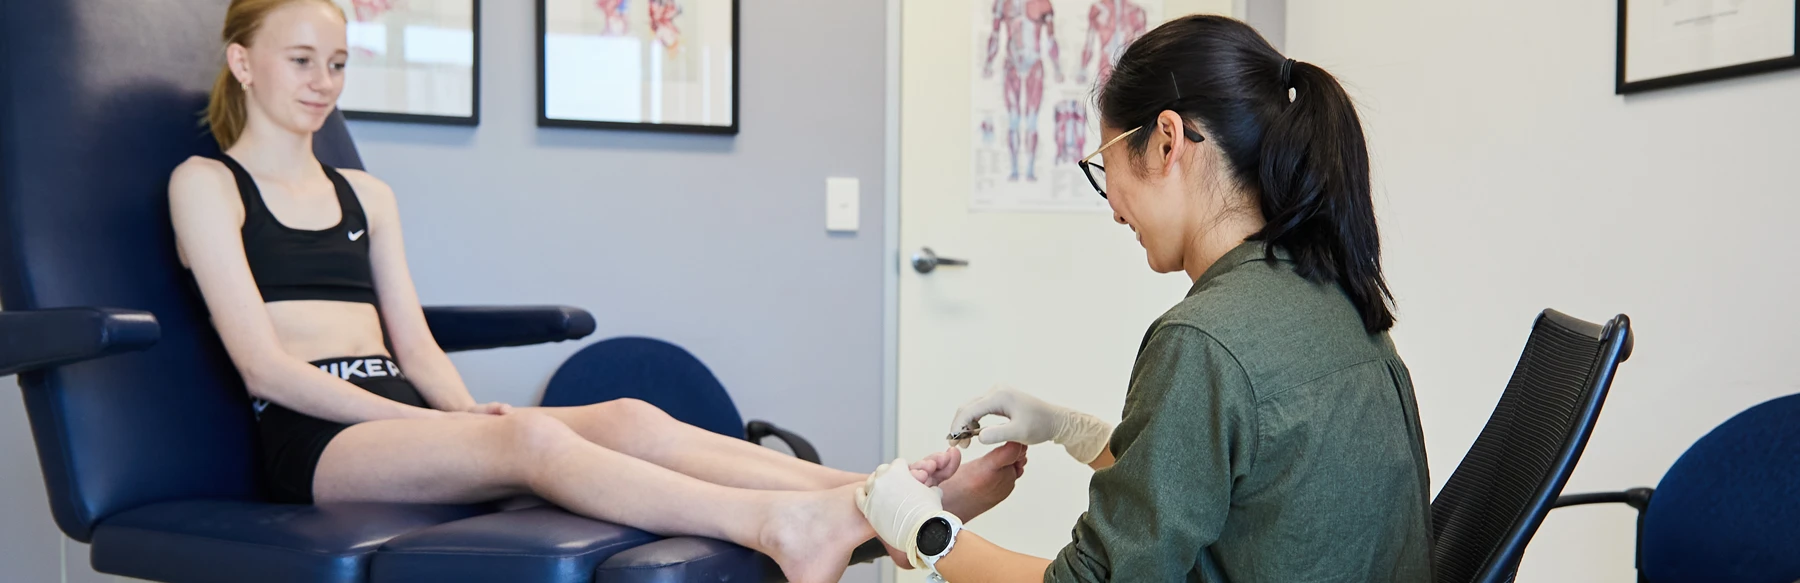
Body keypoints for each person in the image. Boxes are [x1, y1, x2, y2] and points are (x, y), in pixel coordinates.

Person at [167, 2, 1019, 581]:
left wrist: (464, 410)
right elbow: (264, 369)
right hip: (315, 439)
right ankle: (781, 524)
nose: (324, 81)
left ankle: (884, 493)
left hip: (402, 413)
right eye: (302, 60)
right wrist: (434, 424)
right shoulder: (206, 183)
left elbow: (415, 344)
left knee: (627, 417)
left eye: (340, 63)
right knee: (534, 441)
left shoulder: (366, 194)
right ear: (242, 62)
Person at [858, 14, 1434, 582]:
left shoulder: (1203, 339)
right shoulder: (1333, 296)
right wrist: (1071, 430)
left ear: (1165, 142)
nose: (1112, 208)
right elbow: (1219, 486)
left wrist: (922, 529)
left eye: (1103, 166)